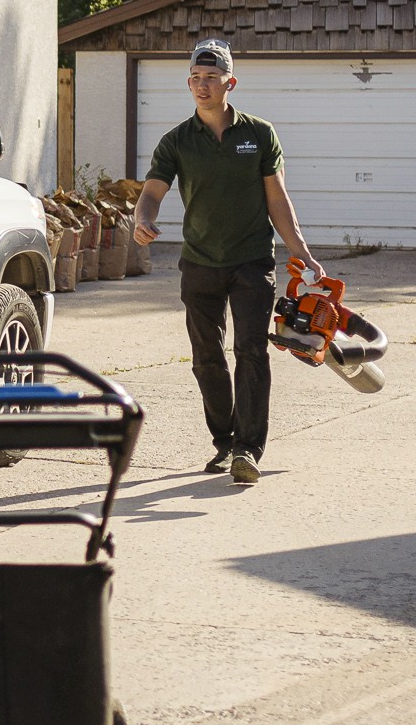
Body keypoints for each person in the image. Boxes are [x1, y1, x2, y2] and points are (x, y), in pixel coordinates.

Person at [130, 37, 311, 488]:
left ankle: (249, 448)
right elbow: (152, 191)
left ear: (231, 82)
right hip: (200, 262)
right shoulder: (177, 140)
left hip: (251, 260)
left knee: (251, 352)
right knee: (206, 357)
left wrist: (300, 251)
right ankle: (225, 441)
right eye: (195, 78)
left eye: (212, 78)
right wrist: (144, 220)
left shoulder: (259, 133)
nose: (202, 85)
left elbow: (277, 198)